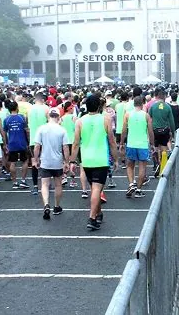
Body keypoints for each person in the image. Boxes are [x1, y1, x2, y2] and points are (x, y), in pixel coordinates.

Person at [70, 95, 118, 231]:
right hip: (101, 159)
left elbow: (75, 143)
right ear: (98, 106)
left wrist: (72, 161)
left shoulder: (80, 121)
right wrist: (115, 159)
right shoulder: (106, 119)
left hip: (86, 159)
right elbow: (111, 141)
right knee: (97, 189)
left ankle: (98, 213)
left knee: (94, 189)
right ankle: (92, 217)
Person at [33, 108, 69, 220]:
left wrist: (36, 159)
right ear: (58, 117)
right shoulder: (62, 130)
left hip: (45, 160)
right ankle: (56, 206)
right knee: (58, 184)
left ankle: (46, 204)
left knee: (44, 184)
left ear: (48, 116)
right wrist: (66, 161)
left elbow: (37, 146)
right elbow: (65, 147)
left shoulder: (41, 129)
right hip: (57, 161)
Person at [122, 96, 154, 198]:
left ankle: (131, 184)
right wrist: (152, 144)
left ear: (133, 104)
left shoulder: (127, 115)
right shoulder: (146, 116)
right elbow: (150, 131)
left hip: (131, 144)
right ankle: (139, 190)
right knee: (142, 167)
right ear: (142, 104)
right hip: (143, 144)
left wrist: (121, 143)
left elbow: (124, 130)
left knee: (130, 166)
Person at [148, 88, 175, 177]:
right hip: (164, 130)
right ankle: (163, 167)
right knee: (164, 148)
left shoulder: (152, 106)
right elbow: (171, 121)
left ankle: (157, 163)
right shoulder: (167, 106)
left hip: (155, 130)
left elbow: (148, 119)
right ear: (163, 96)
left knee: (155, 148)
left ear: (157, 96)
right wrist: (173, 132)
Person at [3, 101, 30, 190]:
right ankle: (23, 181)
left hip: (12, 143)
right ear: (17, 107)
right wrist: (28, 142)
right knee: (25, 161)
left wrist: (5, 143)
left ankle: (14, 182)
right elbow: (27, 130)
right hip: (22, 143)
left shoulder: (6, 119)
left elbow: (4, 133)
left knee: (13, 162)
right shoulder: (22, 118)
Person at [27, 93, 49, 196]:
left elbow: (28, 125)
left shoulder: (29, 109)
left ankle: (36, 186)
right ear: (43, 99)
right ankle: (46, 184)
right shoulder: (46, 108)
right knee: (46, 162)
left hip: (33, 139)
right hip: (45, 139)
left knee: (34, 162)